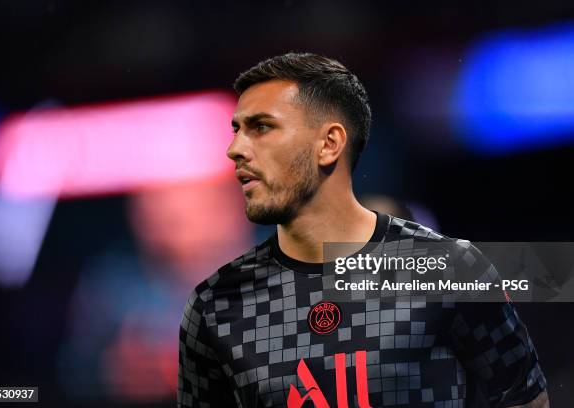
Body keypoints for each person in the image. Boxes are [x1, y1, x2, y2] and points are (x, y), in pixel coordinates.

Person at [177, 52, 548, 407]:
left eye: (262, 127)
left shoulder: (450, 268)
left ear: (329, 144)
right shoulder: (216, 304)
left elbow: (523, 399)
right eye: (237, 130)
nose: (235, 148)